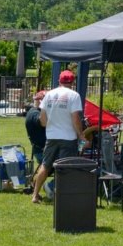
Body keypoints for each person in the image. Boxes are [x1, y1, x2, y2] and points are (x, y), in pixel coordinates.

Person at [31, 70, 85, 204]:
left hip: (51, 136)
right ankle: (59, 194)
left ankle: (35, 195)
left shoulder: (49, 94)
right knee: (65, 167)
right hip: (68, 137)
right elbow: (75, 118)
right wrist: (81, 135)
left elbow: (42, 119)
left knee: (45, 165)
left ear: (59, 81)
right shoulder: (74, 95)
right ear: (72, 82)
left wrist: (50, 126)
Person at [25, 90, 47, 165]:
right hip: (42, 152)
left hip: (42, 150)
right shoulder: (34, 113)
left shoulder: (34, 112)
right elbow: (43, 123)